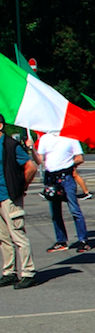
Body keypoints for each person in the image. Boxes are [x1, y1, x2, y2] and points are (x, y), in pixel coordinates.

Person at [36, 132, 91, 253]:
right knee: (55, 212)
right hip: (51, 178)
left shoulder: (71, 137)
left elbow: (80, 158)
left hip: (66, 176)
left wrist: (68, 163)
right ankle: (61, 240)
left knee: (74, 209)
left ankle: (83, 240)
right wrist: (30, 149)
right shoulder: (44, 138)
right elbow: (39, 159)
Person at [0, 115, 38, 289]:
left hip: (9, 196)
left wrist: (21, 187)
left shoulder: (10, 145)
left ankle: (28, 272)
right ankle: (9, 272)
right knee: (3, 238)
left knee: (18, 235)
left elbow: (31, 167)